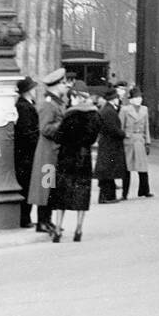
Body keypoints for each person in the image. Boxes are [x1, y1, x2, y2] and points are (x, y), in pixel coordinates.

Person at [50, 82, 101, 243]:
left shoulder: (69, 115)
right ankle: (78, 229)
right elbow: (93, 138)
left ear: (74, 97)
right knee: (82, 194)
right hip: (84, 158)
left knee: (61, 195)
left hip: (66, 158)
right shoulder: (95, 115)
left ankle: (58, 229)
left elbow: (58, 136)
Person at [27, 68, 68, 233]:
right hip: (48, 153)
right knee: (45, 188)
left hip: (53, 152)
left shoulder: (56, 102)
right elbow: (44, 128)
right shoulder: (48, 104)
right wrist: (64, 126)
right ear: (56, 85)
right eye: (64, 83)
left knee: (50, 189)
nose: (66, 86)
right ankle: (42, 222)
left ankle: (47, 221)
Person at [96, 88, 129, 203]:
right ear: (113, 99)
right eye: (117, 98)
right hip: (110, 145)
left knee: (107, 171)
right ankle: (107, 197)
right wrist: (123, 133)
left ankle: (108, 196)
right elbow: (113, 129)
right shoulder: (109, 111)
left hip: (107, 144)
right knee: (108, 171)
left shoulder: (106, 109)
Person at [14, 77, 39, 228]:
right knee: (26, 185)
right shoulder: (24, 107)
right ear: (28, 91)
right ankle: (25, 218)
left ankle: (26, 217)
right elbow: (27, 131)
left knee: (27, 185)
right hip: (26, 154)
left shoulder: (27, 105)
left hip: (26, 153)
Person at [120, 86, 153, 197]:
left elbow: (146, 127)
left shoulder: (144, 109)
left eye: (140, 97)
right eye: (136, 97)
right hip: (129, 140)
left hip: (140, 140)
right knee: (127, 168)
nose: (139, 99)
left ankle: (144, 190)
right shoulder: (124, 110)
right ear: (131, 99)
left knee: (143, 167)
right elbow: (121, 126)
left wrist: (147, 142)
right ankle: (124, 193)